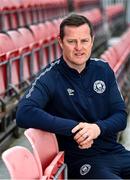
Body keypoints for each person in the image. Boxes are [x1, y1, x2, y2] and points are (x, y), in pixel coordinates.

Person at [16, 14, 130, 179]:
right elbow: (23, 113)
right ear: (61, 42)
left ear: (92, 41)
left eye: (84, 41)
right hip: (81, 160)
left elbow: (120, 116)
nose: (79, 47)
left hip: (114, 151)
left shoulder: (103, 69)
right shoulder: (49, 77)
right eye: (72, 41)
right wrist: (76, 128)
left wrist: (97, 128)